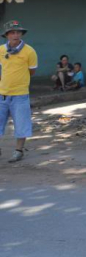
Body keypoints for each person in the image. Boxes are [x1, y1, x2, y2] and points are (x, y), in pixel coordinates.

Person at [0, 20, 38, 163]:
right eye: (12, 32)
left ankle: (18, 151)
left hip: (20, 94)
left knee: (21, 124)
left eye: (18, 32)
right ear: (6, 35)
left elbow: (32, 71)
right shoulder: (1, 50)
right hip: (2, 94)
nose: (16, 35)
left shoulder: (30, 51)